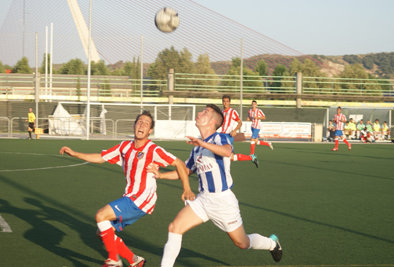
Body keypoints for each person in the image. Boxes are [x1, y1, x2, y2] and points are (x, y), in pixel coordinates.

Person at [147, 104, 282, 267]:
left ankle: (272, 244)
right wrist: (160, 174)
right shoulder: (197, 148)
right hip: (203, 200)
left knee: (242, 243)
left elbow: (226, 152)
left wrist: (202, 144)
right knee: (175, 227)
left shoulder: (220, 137)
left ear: (213, 122)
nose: (200, 112)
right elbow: (185, 171)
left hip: (223, 202)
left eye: (206, 112)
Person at [59, 111, 195, 267]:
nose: (142, 125)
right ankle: (134, 260)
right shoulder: (124, 147)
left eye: (146, 123)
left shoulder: (153, 150)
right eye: (139, 122)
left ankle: (114, 260)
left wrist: (186, 189)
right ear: (134, 125)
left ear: (150, 131)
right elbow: (101, 157)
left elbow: (179, 163)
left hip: (142, 198)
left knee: (101, 215)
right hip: (131, 197)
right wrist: (75, 153)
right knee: (103, 231)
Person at [221, 95, 258, 167]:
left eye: (227, 101)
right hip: (222, 136)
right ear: (222, 102)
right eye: (224, 101)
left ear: (229, 102)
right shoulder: (222, 112)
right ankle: (251, 157)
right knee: (231, 157)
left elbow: (240, 123)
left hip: (228, 136)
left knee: (225, 156)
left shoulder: (232, 112)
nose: (225, 103)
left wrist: (234, 131)